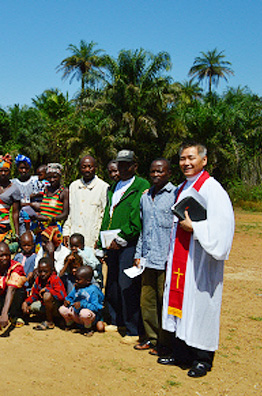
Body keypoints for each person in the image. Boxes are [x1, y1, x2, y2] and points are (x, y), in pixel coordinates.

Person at [158, 142, 234, 378]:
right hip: (182, 257)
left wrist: (196, 228)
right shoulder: (182, 187)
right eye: (182, 158)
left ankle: (203, 358)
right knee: (182, 305)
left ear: (204, 160)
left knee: (200, 306)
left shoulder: (213, 189)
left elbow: (223, 228)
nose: (186, 163)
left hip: (201, 261)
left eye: (191, 158)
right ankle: (181, 353)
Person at [100, 149, 150, 341]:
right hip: (110, 243)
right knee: (111, 282)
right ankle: (115, 319)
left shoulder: (140, 185)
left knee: (126, 283)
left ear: (134, 166)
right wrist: (101, 240)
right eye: (119, 164)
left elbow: (136, 215)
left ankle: (133, 329)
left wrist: (123, 236)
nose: (121, 168)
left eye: (126, 164)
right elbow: (108, 213)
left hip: (128, 243)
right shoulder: (113, 187)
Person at [133, 159, 176, 355]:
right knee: (147, 302)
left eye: (161, 171)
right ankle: (152, 339)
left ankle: (166, 343)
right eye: (153, 172)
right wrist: (138, 255)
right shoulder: (145, 197)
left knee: (164, 302)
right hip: (148, 259)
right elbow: (144, 230)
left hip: (167, 259)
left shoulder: (176, 195)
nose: (156, 175)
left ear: (168, 173)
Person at [62, 155, 109, 249]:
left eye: (90, 167)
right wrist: (66, 232)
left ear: (95, 168)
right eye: (84, 167)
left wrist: (98, 238)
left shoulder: (103, 187)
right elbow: (70, 212)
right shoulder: (74, 186)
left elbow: (103, 215)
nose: (87, 170)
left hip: (91, 239)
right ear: (80, 168)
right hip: (74, 238)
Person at [58, 265, 105, 336]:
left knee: (84, 313)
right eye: (75, 279)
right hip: (77, 315)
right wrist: (67, 301)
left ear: (88, 280)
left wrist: (82, 304)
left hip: (89, 317)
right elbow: (70, 297)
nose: (76, 281)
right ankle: (70, 324)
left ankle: (88, 328)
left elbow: (96, 307)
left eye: (78, 279)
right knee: (62, 309)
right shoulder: (77, 287)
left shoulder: (93, 290)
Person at [22, 258, 67, 331]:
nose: (43, 274)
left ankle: (50, 322)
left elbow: (62, 296)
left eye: (45, 271)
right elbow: (35, 295)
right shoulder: (39, 279)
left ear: (51, 270)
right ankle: (42, 317)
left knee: (47, 295)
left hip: (57, 307)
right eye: (40, 271)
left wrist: (48, 289)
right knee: (29, 307)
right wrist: (26, 302)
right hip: (44, 305)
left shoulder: (55, 279)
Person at [13, 154, 42, 234]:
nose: (24, 171)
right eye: (21, 168)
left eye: (26, 168)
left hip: (37, 221)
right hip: (22, 223)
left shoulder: (36, 181)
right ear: (17, 168)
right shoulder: (13, 183)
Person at [35, 163, 69, 231]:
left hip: (54, 230)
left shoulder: (64, 192)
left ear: (60, 176)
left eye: (55, 177)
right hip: (41, 228)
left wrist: (49, 219)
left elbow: (65, 214)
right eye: (49, 177)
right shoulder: (46, 189)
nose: (52, 180)